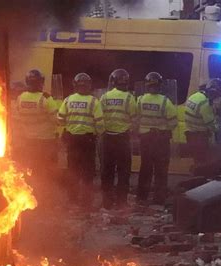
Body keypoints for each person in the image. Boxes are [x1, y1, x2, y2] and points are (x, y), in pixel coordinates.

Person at [58, 73, 105, 208]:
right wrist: (99, 134)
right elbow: (100, 123)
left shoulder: (68, 100)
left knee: (73, 170)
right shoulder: (93, 101)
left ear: (75, 85)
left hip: (72, 140)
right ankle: (86, 201)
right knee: (88, 172)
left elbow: (60, 119)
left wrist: (69, 127)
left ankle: (72, 200)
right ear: (89, 86)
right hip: (88, 141)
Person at [136, 72, 177, 205]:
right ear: (160, 86)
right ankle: (159, 199)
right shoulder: (165, 101)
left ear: (147, 86)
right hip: (161, 140)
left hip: (145, 139)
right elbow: (173, 123)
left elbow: (135, 118)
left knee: (145, 169)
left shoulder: (140, 100)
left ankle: (141, 197)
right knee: (161, 170)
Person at [100, 69, 137, 209]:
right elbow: (134, 120)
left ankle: (107, 202)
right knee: (123, 171)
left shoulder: (104, 97)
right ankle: (121, 202)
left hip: (107, 138)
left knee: (107, 171)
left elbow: (99, 116)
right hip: (122, 139)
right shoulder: (129, 98)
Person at [13, 69, 59, 174]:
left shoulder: (20, 98)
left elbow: (17, 118)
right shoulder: (46, 98)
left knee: (32, 168)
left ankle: (33, 188)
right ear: (41, 82)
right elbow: (56, 120)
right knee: (47, 169)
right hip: (46, 141)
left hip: (29, 141)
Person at [184, 78, 221, 173]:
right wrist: (219, 127)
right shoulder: (205, 103)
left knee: (197, 160)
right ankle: (200, 182)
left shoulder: (195, 96)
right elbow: (211, 125)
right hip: (199, 137)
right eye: (216, 95)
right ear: (213, 92)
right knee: (203, 163)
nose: (216, 99)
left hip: (190, 134)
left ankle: (197, 178)